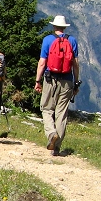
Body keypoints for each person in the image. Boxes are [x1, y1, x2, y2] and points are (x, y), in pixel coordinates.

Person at [35, 15, 80, 156]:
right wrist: (76, 82)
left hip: (50, 80)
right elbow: (75, 64)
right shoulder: (72, 40)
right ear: (65, 27)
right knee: (61, 113)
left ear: (54, 26)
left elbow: (42, 62)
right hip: (67, 80)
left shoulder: (48, 40)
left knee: (47, 109)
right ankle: (56, 148)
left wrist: (37, 81)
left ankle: (51, 134)